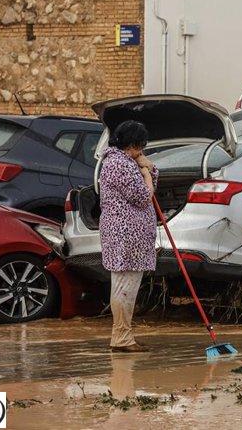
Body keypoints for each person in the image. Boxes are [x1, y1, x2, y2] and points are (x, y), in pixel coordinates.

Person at [99, 120, 158, 353]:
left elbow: (151, 183)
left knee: (126, 284)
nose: (142, 150)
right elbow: (143, 196)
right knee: (125, 285)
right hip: (126, 235)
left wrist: (148, 168)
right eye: (140, 146)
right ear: (132, 144)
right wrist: (146, 174)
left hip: (129, 235)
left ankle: (122, 335)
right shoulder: (119, 164)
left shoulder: (124, 161)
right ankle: (122, 337)